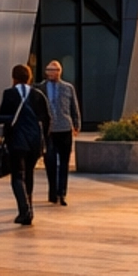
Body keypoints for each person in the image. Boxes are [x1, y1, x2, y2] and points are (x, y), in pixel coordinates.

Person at [0, 63, 51, 225]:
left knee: (18, 176)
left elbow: (1, 115)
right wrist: (44, 140)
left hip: (16, 141)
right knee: (29, 175)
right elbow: (46, 119)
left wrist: (3, 119)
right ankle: (29, 209)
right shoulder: (38, 94)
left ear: (14, 78)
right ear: (29, 77)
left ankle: (24, 210)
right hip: (34, 143)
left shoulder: (9, 94)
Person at [42, 60, 81, 205]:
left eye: (56, 70)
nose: (53, 72)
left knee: (64, 163)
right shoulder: (41, 88)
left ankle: (62, 193)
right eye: (50, 70)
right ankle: (53, 192)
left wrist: (76, 124)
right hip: (49, 131)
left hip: (64, 128)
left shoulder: (68, 88)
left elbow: (74, 107)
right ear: (46, 72)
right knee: (50, 162)